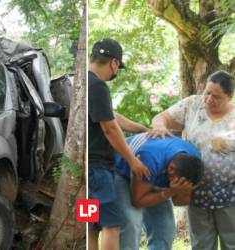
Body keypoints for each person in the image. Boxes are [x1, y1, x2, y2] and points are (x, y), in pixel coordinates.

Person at [150, 70, 235, 250]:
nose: (209, 99)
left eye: (217, 96)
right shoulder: (192, 105)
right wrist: (159, 127)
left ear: (229, 97)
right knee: (201, 245)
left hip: (230, 196)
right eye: (207, 92)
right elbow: (162, 117)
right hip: (195, 192)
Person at [88, 38, 151, 250]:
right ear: (114, 63)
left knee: (89, 226)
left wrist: (142, 129)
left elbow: (112, 117)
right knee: (111, 226)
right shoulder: (98, 86)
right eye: (118, 67)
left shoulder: (82, 82)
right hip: (98, 170)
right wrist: (132, 161)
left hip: (83, 169)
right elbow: (110, 128)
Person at [114, 133, 204, 250]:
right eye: (179, 182)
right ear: (171, 169)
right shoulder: (151, 157)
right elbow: (137, 201)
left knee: (165, 227)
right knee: (132, 222)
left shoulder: (193, 163)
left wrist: (182, 191)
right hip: (120, 171)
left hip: (153, 176)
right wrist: (169, 192)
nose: (180, 185)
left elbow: (179, 202)